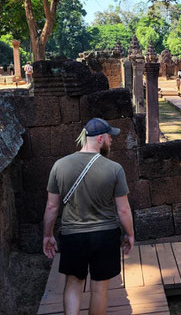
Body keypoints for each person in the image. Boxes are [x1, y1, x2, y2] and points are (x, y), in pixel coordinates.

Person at [42, 118, 134, 315]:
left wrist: (47, 235)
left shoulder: (59, 165)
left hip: (72, 235)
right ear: (100, 138)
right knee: (99, 288)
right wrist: (130, 234)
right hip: (105, 235)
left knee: (73, 284)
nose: (112, 141)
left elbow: (51, 207)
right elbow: (123, 210)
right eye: (110, 137)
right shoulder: (115, 169)